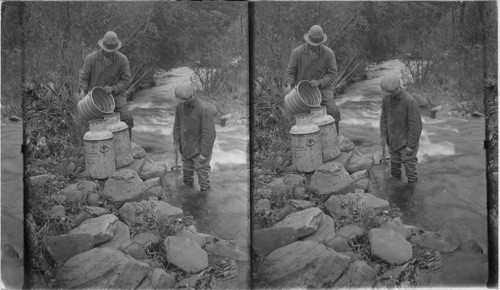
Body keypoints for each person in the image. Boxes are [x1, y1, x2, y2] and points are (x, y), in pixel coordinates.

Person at [285, 25, 341, 134]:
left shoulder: (329, 53)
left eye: (317, 45)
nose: (315, 47)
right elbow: (290, 72)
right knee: (300, 113)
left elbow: (333, 74)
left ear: (321, 43)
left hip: (323, 89)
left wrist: (319, 82)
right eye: (312, 44)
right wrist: (289, 85)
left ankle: (336, 138)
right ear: (308, 41)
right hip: (302, 91)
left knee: (333, 110)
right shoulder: (297, 53)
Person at [78, 31, 133, 137]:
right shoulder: (91, 58)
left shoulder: (122, 60)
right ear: (102, 47)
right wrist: (82, 91)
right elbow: (83, 77)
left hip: (116, 95)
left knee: (125, 116)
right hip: (95, 96)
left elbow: (126, 80)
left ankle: (128, 144)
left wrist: (113, 88)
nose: (109, 53)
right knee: (92, 119)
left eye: (112, 51)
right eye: (107, 50)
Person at [173, 83, 216, 192]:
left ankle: (204, 200)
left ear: (192, 96)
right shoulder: (179, 106)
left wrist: (204, 154)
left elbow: (210, 134)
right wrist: (176, 142)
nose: (180, 102)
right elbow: (177, 125)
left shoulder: (204, 109)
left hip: (199, 149)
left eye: (183, 100)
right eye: (179, 99)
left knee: (203, 179)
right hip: (185, 147)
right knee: (187, 176)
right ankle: (188, 198)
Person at [379, 76, 422, 184]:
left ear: (397, 89)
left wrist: (411, 146)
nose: (386, 95)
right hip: (393, 140)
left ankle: (412, 192)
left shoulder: (410, 101)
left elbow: (416, 127)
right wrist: (383, 135)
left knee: (410, 171)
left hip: (406, 142)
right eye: (385, 92)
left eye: (389, 92)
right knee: (394, 170)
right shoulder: (386, 99)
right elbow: (383, 118)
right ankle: (396, 191)